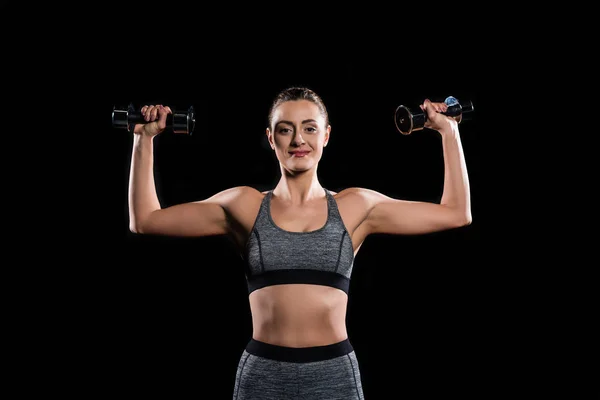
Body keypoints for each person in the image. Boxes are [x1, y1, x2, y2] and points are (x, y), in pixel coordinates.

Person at [127, 86, 472, 399]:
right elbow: (146, 220)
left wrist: (448, 132)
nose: (297, 140)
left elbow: (456, 212)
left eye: (309, 128)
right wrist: (144, 140)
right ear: (271, 137)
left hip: (334, 375)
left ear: (326, 136)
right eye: (285, 129)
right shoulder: (244, 206)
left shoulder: (355, 207)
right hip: (262, 376)